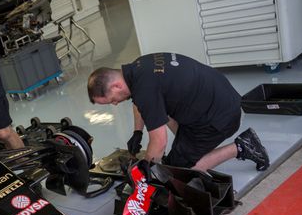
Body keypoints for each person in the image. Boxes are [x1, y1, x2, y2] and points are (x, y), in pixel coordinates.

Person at [87, 53, 270, 171]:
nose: (115, 104)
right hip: (220, 100)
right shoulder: (138, 67)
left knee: (179, 172)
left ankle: (243, 146)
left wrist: (147, 174)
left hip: (219, 118)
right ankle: (189, 148)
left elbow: (159, 142)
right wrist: (137, 132)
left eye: (112, 100)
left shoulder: (145, 89)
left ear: (117, 85)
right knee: (163, 115)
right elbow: (140, 102)